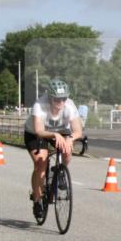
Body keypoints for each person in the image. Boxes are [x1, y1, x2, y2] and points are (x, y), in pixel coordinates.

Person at [24, 79, 83, 219]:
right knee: (40, 163)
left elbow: (78, 131)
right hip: (37, 133)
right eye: (57, 99)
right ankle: (37, 199)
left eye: (64, 98)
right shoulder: (39, 105)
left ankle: (60, 171)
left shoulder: (69, 106)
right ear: (50, 97)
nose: (61, 102)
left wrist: (70, 139)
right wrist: (55, 134)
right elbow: (39, 130)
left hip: (61, 131)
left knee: (67, 150)